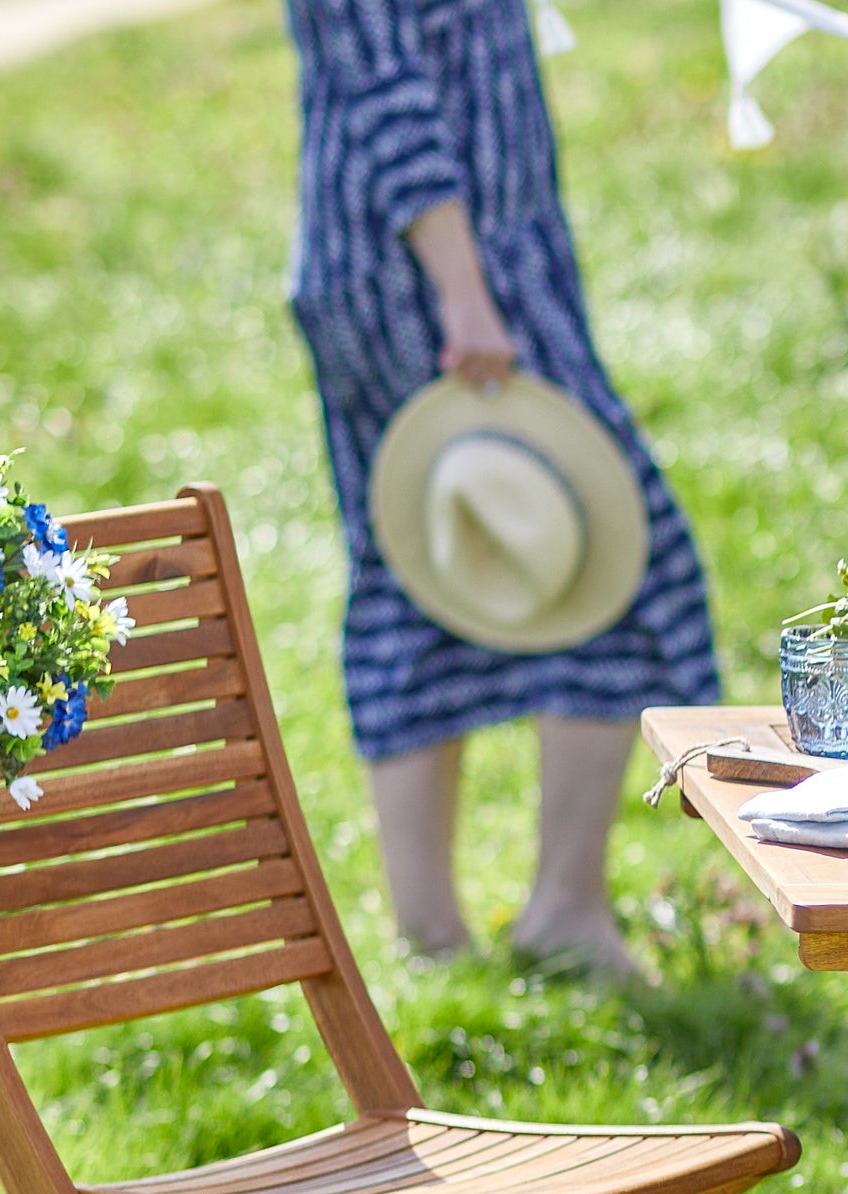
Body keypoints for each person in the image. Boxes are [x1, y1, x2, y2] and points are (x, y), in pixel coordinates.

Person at [284, 0, 721, 972]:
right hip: (427, 274)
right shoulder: (453, 280)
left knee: (435, 566)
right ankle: (507, 921)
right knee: (588, 558)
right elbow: (380, 88)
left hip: (485, 262)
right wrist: (464, 291)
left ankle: (449, 934)